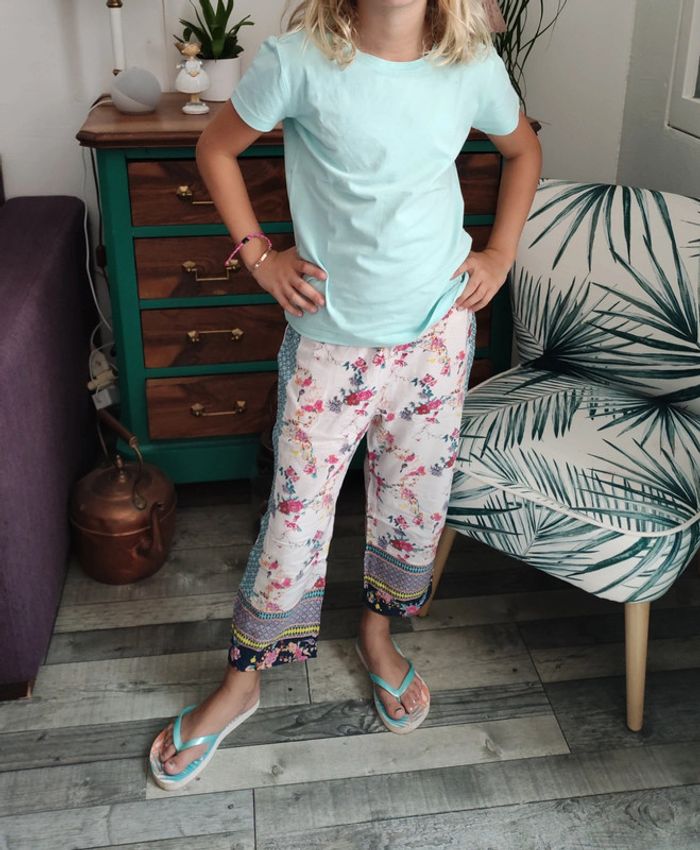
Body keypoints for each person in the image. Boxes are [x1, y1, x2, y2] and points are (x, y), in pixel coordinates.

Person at [149, 0, 542, 790]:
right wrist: (259, 256)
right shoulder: (298, 60)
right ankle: (242, 681)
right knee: (295, 515)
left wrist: (500, 252)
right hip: (330, 347)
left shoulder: (470, 64)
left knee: (413, 504)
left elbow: (522, 149)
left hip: (436, 342)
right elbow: (215, 147)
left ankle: (377, 637)